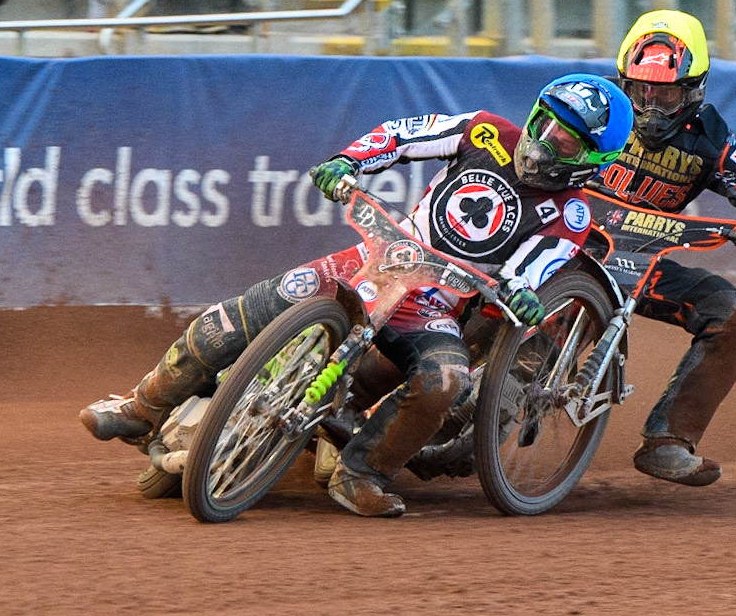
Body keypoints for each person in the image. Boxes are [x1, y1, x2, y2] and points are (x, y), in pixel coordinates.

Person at [80, 73, 633, 517]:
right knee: (244, 312)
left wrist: (521, 294)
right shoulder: (485, 130)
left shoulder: (570, 214)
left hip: (435, 305)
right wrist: (349, 161)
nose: (547, 138)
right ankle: (142, 406)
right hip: (373, 260)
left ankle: (361, 473)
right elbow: (403, 134)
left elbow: (529, 271)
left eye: (567, 138)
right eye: (546, 121)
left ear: (592, 159)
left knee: (446, 379)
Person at [587, 9, 736, 487]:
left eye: (665, 95)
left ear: (694, 91)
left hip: (638, 265)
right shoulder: (593, 105)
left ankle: (668, 440)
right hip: (563, 242)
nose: (649, 107)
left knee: (733, 317)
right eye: (639, 91)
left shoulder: (712, 139)